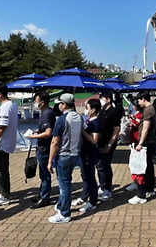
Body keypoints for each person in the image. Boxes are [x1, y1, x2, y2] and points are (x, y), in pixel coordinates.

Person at [47, 93, 83, 223]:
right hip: (75, 154)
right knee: (66, 181)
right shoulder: (79, 117)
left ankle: (64, 213)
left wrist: (50, 161)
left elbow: (55, 141)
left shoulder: (62, 119)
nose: (59, 105)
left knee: (64, 185)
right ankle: (61, 205)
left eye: (60, 103)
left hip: (63, 154)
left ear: (65, 104)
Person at [72, 99, 101, 213]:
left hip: (91, 153)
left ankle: (93, 202)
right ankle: (84, 196)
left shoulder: (95, 122)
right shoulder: (89, 120)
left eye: (87, 107)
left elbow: (94, 140)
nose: (86, 109)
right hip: (84, 152)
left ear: (93, 110)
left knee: (90, 177)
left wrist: (82, 131)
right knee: (84, 175)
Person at [28, 91, 56, 208]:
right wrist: (38, 132)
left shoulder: (47, 114)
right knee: (42, 174)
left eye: (36, 101)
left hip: (44, 148)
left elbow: (48, 132)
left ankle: (45, 198)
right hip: (42, 147)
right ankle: (41, 194)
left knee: (45, 175)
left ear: (42, 102)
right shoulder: (45, 112)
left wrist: (34, 136)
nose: (35, 103)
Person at [128, 92, 156, 205]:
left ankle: (141, 194)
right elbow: (144, 124)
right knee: (148, 167)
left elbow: (145, 128)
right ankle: (149, 189)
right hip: (149, 141)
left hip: (146, 142)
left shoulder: (148, 110)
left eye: (139, 101)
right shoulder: (150, 109)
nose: (138, 103)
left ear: (143, 99)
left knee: (141, 168)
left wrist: (140, 143)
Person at [96, 91, 120, 202]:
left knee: (105, 164)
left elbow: (116, 129)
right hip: (99, 142)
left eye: (103, 98)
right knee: (99, 165)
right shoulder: (101, 111)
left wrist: (110, 144)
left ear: (108, 99)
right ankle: (102, 185)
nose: (101, 100)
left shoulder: (113, 112)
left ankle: (107, 189)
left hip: (108, 142)